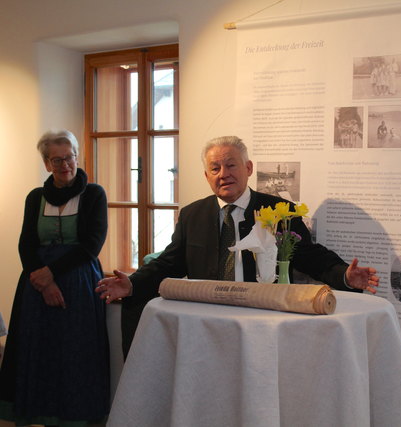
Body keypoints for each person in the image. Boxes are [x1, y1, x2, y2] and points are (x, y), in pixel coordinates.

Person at [97, 136, 379, 356]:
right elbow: (168, 263)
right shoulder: (192, 214)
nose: (224, 174)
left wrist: (345, 275)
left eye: (231, 165)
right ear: (207, 176)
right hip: (208, 324)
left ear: (248, 168)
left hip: (263, 322)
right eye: (215, 168)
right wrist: (133, 283)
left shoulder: (278, 211)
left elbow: (311, 257)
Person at [0, 130, 110, 426]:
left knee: (74, 352)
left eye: (69, 157)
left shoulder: (94, 194)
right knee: (39, 351)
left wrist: (50, 273)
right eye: (56, 159)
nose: (65, 164)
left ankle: (74, 417)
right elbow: (26, 244)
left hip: (79, 284)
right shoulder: (35, 197)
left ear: (77, 157)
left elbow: (92, 244)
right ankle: (40, 413)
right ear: (47, 164)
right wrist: (42, 280)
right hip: (36, 287)